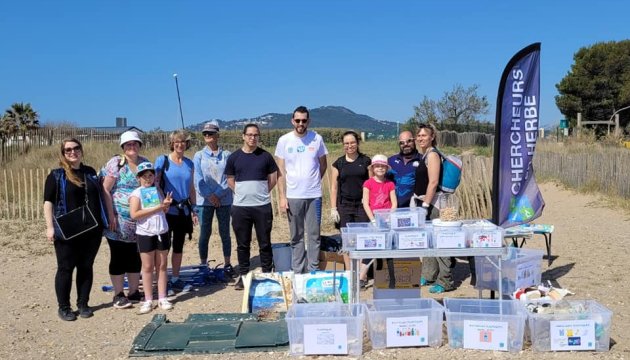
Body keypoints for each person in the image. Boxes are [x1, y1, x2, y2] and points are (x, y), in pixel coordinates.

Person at [43, 138, 108, 321]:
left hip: (91, 230)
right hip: (67, 231)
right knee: (65, 268)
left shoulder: (90, 172)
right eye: (68, 150)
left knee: (86, 267)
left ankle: (83, 303)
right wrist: (49, 227)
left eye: (76, 148)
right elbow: (48, 202)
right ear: (63, 153)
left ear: (81, 150)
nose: (73, 152)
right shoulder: (56, 175)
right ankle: (64, 307)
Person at [275, 106, 328, 273]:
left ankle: (313, 269)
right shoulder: (284, 140)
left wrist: (312, 181)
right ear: (292, 121)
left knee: (314, 236)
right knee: (296, 236)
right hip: (293, 196)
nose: (300, 123)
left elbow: (323, 164)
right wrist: (282, 197)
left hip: (314, 196)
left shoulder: (317, 139)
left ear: (308, 121)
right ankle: (298, 270)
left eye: (304, 120)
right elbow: (280, 171)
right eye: (297, 120)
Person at [225, 123, 279, 290]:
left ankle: (267, 274)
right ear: (243, 136)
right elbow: (230, 180)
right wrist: (243, 193)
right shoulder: (234, 157)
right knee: (243, 243)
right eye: (249, 134)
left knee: (265, 242)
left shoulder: (266, 156)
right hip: (241, 207)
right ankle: (243, 276)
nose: (252, 137)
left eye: (256, 135)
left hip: (262, 206)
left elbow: (273, 178)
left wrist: (260, 193)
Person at [102, 130, 149, 309]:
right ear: (123, 147)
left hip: (139, 221)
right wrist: (110, 214)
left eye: (135, 144)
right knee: (118, 256)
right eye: (128, 144)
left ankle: (134, 291)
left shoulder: (145, 163)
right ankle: (118, 293)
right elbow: (106, 189)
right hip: (118, 221)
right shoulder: (116, 163)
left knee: (135, 256)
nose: (132, 147)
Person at [412, 123, 455, 293]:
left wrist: (424, 206)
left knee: (440, 243)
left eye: (424, 135)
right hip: (426, 202)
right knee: (429, 241)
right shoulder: (425, 155)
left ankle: (445, 281)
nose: (420, 138)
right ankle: (429, 275)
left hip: (434, 204)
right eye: (419, 135)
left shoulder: (433, 155)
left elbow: (433, 182)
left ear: (432, 137)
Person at [154, 130, 197, 293]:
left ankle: (176, 278)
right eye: (177, 141)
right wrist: (160, 204)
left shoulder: (189, 163)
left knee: (179, 246)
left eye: (183, 141)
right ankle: (162, 281)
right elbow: (155, 184)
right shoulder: (162, 160)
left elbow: (191, 188)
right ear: (172, 143)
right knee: (164, 247)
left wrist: (193, 208)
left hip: (183, 211)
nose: (180, 144)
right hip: (166, 211)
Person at [129, 162, 174, 314]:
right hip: (145, 233)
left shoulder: (158, 190)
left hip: (161, 231)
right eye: (144, 176)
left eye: (150, 175)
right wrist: (158, 207)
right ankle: (148, 299)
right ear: (139, 178)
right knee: (147, 267)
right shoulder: (136, 194)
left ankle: (162, 297)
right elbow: (134, 214)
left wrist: (166, 205)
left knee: (161, 266)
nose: (148, 179)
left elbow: (163, 211)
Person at [193, 121, 235, 278]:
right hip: (205, 201)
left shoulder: (227, 155)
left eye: (210, 133)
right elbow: (198, 179)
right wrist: (210, 196)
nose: (207, 136)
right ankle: (203, 264)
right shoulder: (198, 156)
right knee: (205, 233)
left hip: (223, 200)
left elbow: (228, 178)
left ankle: (228, 263)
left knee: (225, 232)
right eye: (205, 134)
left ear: (217, 135)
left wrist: (218, 195)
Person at [329, 130, 371, 269]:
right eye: (346, 143)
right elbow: (334, 187)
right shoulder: (338, 164)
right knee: (347, 240)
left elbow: (371, 185)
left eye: (352, 142)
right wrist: (333, 208)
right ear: (343, 145)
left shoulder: (366, 161)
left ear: (357, 143)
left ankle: (360, 274)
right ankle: (349, 271)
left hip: (362, 206)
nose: (349, 146)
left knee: (362, 238)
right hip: (344, 205)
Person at [361, 154, 397, 288]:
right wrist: (373, 219)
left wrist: (388, 217)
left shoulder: (390, 184)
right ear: (373, 168)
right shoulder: (368, 183)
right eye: (377, 166)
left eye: (383, 166)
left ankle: (392, 279)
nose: (380, 169)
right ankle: (361, 278)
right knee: (370, 249)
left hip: (387, 221)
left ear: (386, 168)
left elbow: (394, 203)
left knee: (389, 250)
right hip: (373, 220)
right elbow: (366, 203)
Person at [387, 130, 421, 208]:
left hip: (414, 208)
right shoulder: (391, 161)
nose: (405, 144)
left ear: (414, 141)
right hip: (393, 208)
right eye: (402, 142)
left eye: (409, 141)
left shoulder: (422, 160)